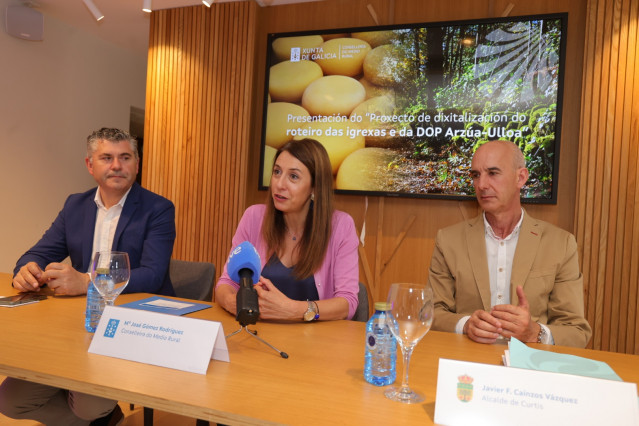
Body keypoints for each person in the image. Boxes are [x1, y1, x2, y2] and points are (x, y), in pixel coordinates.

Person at [0, 128, 176, 425]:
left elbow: (153, 275)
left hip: (131, 324)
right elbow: (36, 253)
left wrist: (86, 281)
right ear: (89, 165)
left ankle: (100, 416)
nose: (117, 166)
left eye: (125, 157)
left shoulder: (158, 209)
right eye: (106, 157)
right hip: (75, 326)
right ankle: (111, 421)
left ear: (137, 163)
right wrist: (26, 269)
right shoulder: (75, 205)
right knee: (10, 401)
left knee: (88, 406)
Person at [429, 140, 592, 348]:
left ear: (520, 177)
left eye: (493, 173)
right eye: (476, 175)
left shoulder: (561, 244)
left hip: (531, 369)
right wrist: (466, 324)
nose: (482, 185)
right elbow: (431, 312)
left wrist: (535, 332)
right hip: (468, 365)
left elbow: (577, 331)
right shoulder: (448, 240)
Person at [215, 138, 359, 321]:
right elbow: (226, 282)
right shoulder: (253, 217)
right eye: (277, 172)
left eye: (293, 176)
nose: (279, 184)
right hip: (260, 333)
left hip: (317, 341)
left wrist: (293, 310)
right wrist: (231, 302)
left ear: (314, 187)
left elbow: (347, 303)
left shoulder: (341, 226)